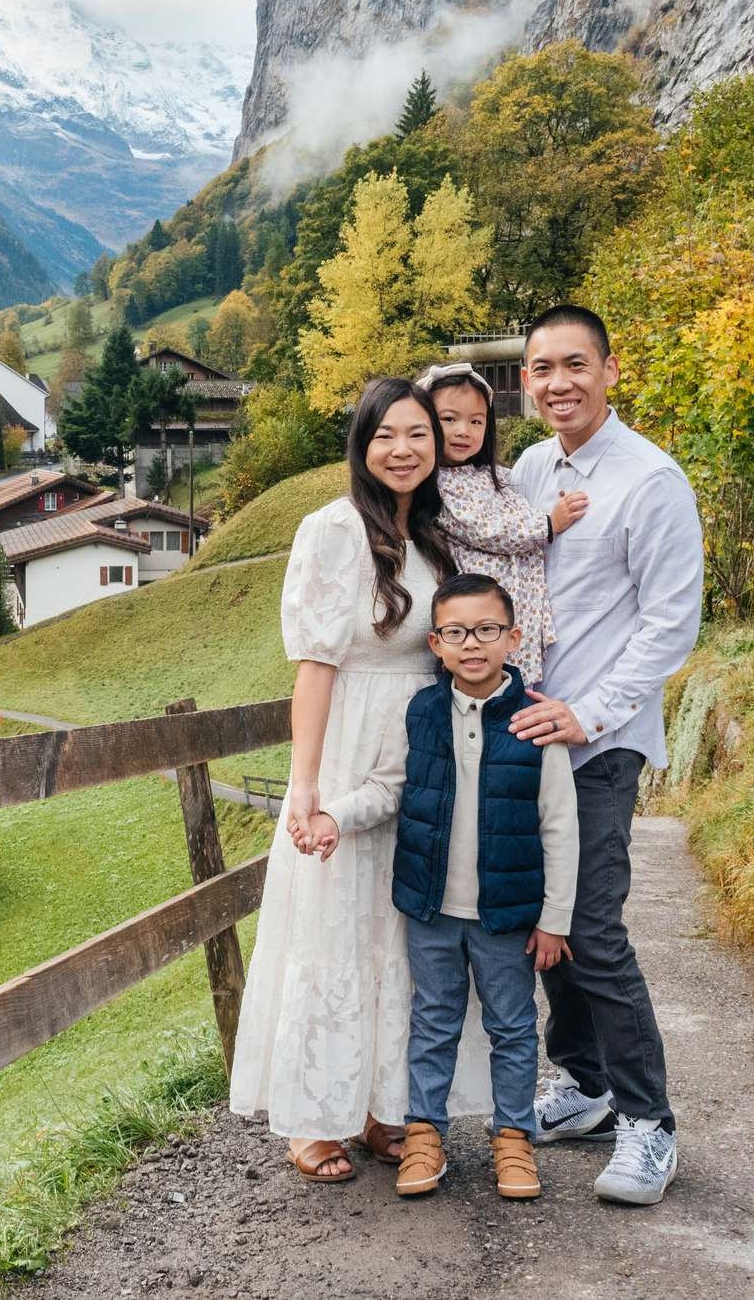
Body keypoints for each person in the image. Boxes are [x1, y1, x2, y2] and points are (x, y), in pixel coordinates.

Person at [503, 303, 704, 1206]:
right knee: (546, 928)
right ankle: (582, 1083)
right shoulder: (531, 468)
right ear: (526, 381)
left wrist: (590, 712)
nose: (558, 382)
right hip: (529, 739)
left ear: (611, 370)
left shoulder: (651, 480)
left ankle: (650, 1122)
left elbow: (671, 624)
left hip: (599, 742)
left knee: (592, 927)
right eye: (542, 368)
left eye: (575, 364)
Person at [232, 377, 456, 1182]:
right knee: (332, 924)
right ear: (361, 445)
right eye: (386, 435)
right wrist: (305, 784)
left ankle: (376, 1105)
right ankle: (312, 1114)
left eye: (419, 434)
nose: (404, 449)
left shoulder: (432, 533)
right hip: (348, 742)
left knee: (398, 931)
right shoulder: (330, 530)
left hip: (419, 752)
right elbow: (315, 666)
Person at [374, 572, 578, 1201]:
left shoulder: (534, 720)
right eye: (456, 633)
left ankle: (514, 1139)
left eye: (487, 630)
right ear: (435, 643)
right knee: (432, 1020)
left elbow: (560, 824)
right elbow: (391, 787)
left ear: (512, 638)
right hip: (432, 909)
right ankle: (425, 1135)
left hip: (508, 917)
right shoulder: (422, 711)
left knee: (512, 1027)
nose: (472, 645)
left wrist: (555, 919)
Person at [420, 363, 589, 686]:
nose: (463, 431)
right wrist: (548, 524)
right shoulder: (437, 485)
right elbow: (486, 529)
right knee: (487, 678)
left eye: (476, 421)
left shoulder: (491, 474)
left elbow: (519, 499)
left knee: (518, 684)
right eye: (449, 419)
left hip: (518, 600)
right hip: (482, 609)